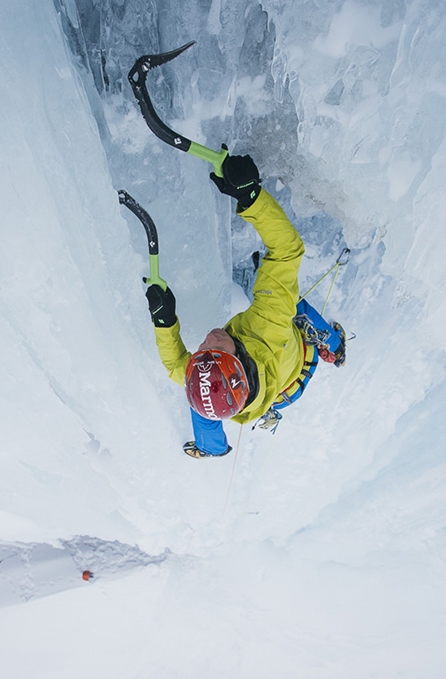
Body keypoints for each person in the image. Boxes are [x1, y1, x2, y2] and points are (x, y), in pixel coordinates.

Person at [145, 154, 344, 458]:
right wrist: (252, 198)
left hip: (248, 387)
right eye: (217, 349)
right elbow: (288, 252)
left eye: (201, 352)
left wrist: (164, 322)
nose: (209, 339)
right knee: (298, 310)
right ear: (238, 361)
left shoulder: (207, 370)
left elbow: (175, 365)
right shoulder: (269, 324)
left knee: (200, 403)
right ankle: (335, 346)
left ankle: (210, 448)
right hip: (295, 370)